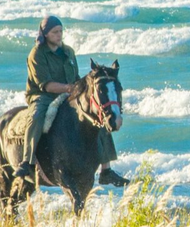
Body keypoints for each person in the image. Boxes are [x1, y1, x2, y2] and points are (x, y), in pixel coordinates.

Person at [13, 15, 129, 186]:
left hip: (69, 93)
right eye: (54, 32)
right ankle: (27, 161)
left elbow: (75, 78)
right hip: (43, 96)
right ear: (45, 34)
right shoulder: (36, 54)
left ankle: (106, 170)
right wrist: (69, 88)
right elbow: (45, 85)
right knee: (36, 116)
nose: (59, 35)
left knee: (98, 114)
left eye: (60, 31)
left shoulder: (69, 51)